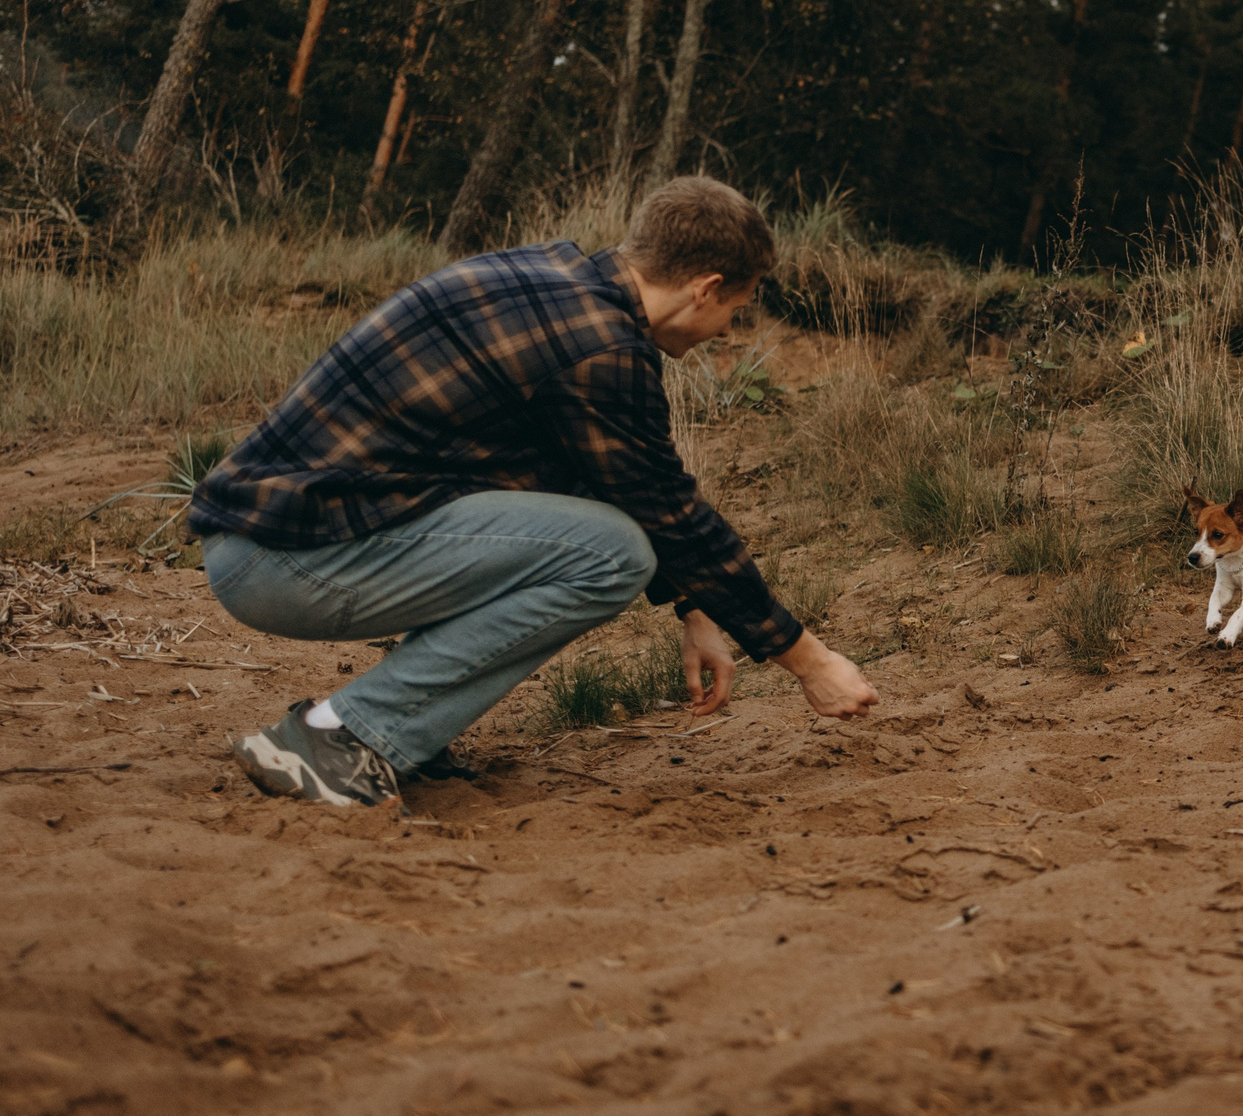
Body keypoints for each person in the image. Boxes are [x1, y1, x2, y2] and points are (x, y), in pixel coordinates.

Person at [190, 176, 879, 808]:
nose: (728, 328)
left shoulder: (554, 278)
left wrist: (694, 606)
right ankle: (343, 735)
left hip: (275, 536)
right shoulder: (601, 349)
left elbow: (607, 479)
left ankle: (397, 732)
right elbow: (673, 515)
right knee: (612, 555)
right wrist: (809, 662)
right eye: (735, 307)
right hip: (282, 560)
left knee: (597, 535)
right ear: (705, 287)